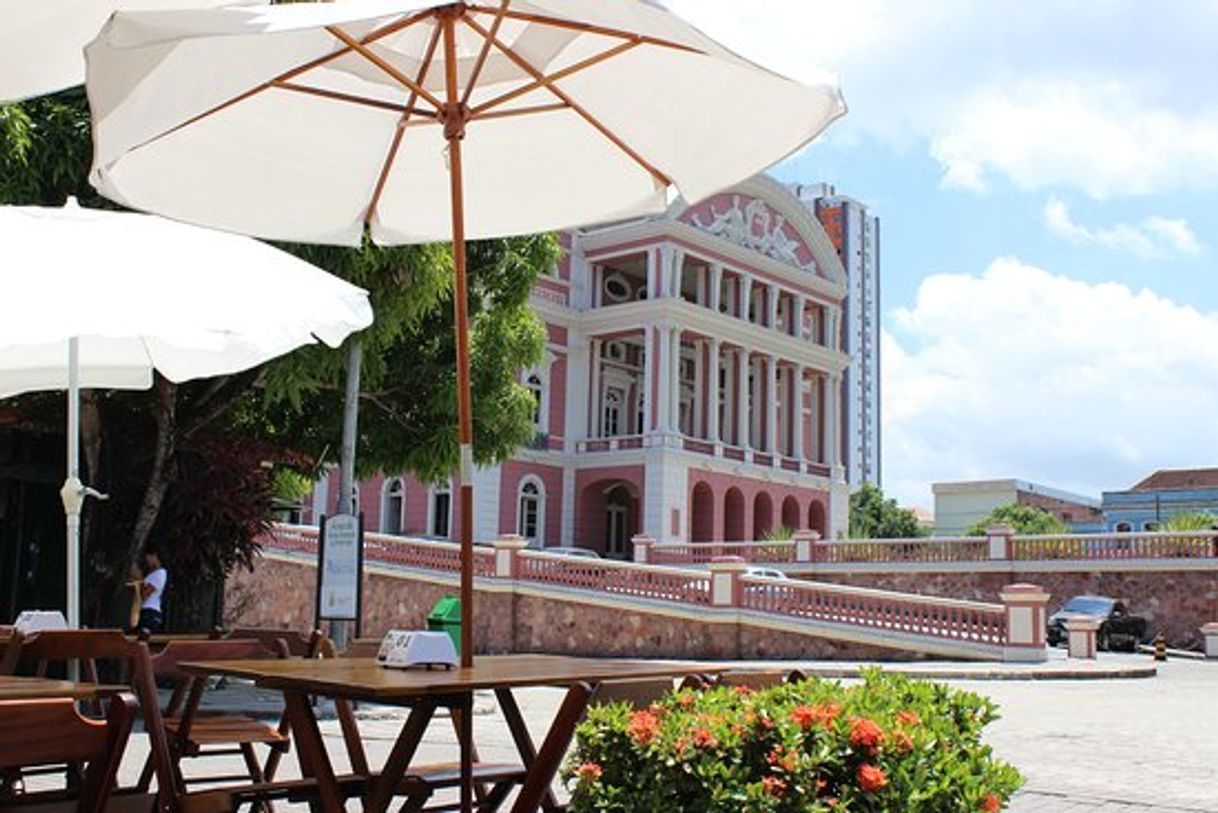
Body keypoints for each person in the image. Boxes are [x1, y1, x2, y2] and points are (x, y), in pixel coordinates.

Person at [132, 544, 168, 635]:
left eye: (149, 557)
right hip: (144, 611)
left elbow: (145, 593)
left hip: (151, 612)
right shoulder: (151, 574)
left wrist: (139, 579)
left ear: (155, 556)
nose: (147, 560)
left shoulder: (160, 573)